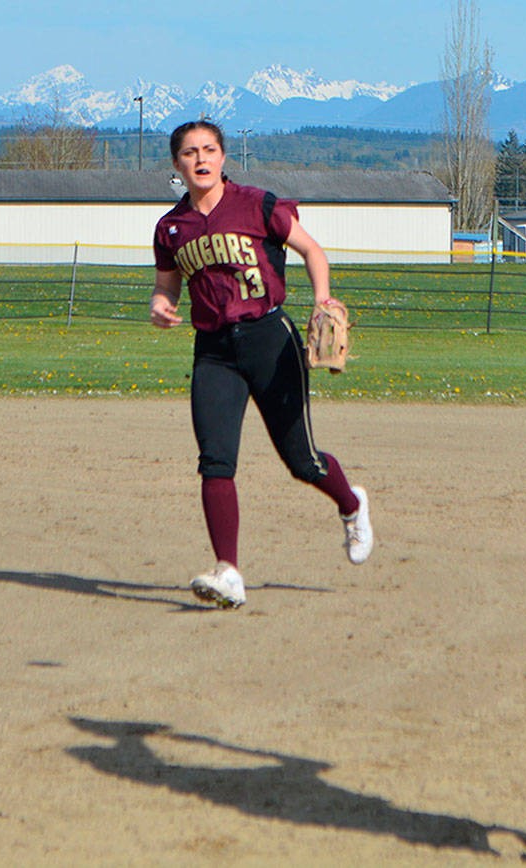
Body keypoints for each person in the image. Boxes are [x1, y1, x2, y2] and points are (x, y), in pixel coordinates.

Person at [150, 119, 373, 609]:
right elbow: (167, 284)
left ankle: (352, 504)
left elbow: (312, 250)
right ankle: (228, 571)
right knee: (215, 460)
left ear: (224, 157)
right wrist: (159, 303)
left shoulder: (256, 203)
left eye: (209, 149)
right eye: (190, 152)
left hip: (270, 339)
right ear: (177, 164)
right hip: (213, 350)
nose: (201, 159)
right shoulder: (171, 228)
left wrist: (322, 300)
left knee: (303, 461)